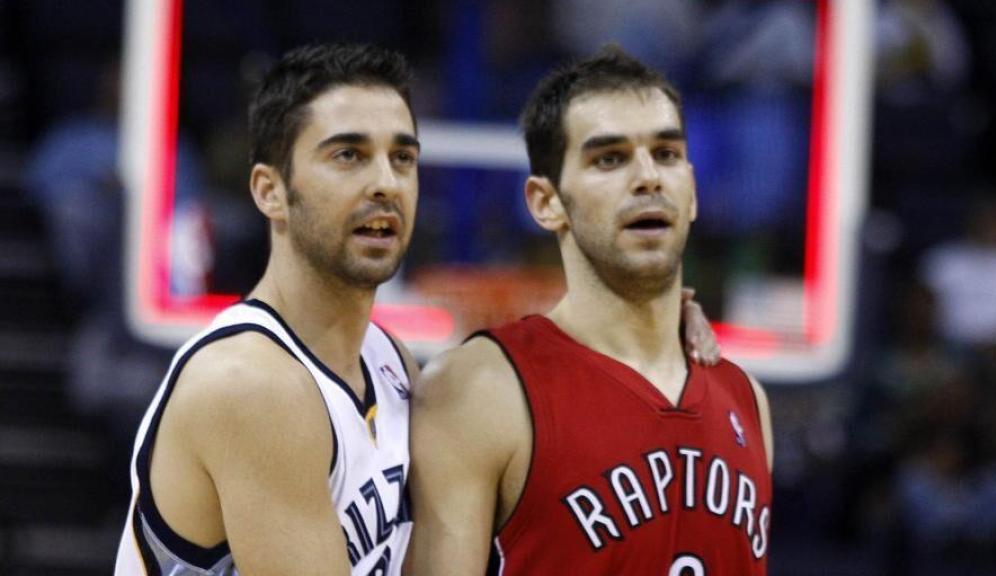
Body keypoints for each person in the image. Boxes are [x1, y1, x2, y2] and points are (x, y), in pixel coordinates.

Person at [114, 43, 720, 575]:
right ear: (271, 191)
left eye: (402, 158)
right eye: (348, 155)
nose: (386, 182)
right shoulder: (251, 385)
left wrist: (651, 331)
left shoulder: (387, 360)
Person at [408, 46, 773, 574]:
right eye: (610, 158)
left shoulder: (747, 400)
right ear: (545, 202)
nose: (648, 178)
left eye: (666, 154)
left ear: (691, 190)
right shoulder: (481, 389)